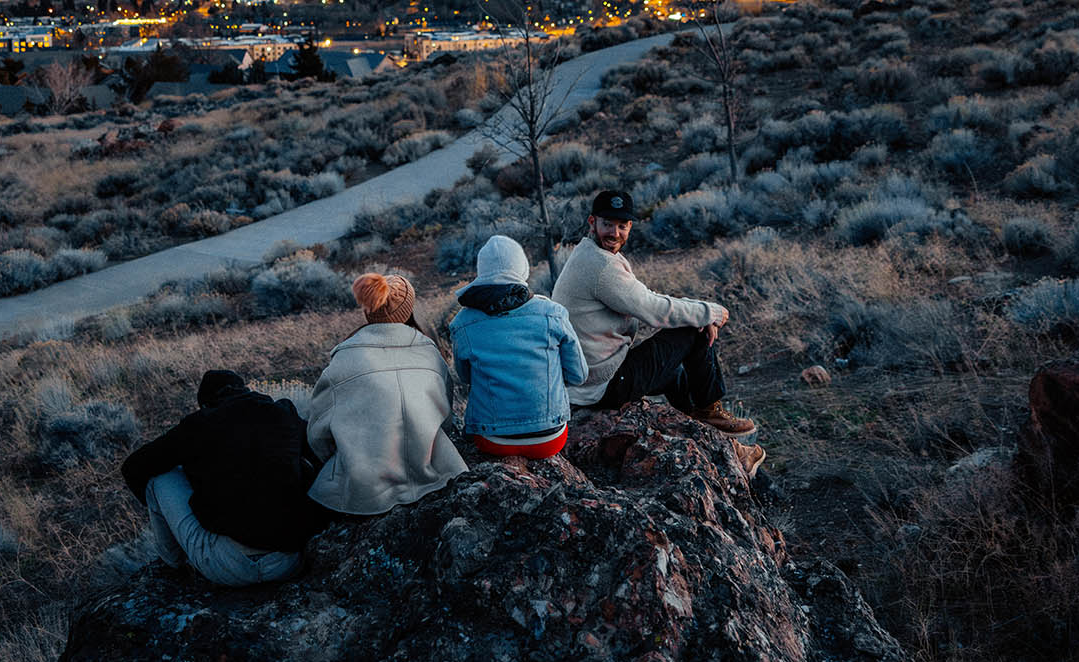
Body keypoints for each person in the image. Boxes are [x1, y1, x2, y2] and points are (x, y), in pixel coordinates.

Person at [553, 189, 764, 475]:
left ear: (630, 227)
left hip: (590, 379)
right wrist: (708, 312)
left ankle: (728, 447)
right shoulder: (600, 266)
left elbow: (644, 296)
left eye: (622, 225)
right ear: (592, 222)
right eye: (607, 224)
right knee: (691, 331)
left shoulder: (592, 254)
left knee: (676, 376)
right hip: (600, 385)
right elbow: (654, 310)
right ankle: (709, 408)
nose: (614, 232)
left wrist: (696, 307)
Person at [121, 368, 328, 587]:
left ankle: (173, 568)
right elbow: (321, 452)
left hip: (226, 566)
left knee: (160, 479)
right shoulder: (283, 412)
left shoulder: (197, 425)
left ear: (206, 404)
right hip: (290, 560)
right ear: (244, 389)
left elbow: (133, 467)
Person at [307, 272, 467, 516]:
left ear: (368, 310)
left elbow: (318, 434)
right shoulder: (431, 354)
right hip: (436, 476)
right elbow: (445, 418)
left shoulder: (343, 360)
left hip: (365, 492)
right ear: (408, 311)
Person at [447, 234, 586, 459]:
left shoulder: (463, 323)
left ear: (482, 271)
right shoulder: (553, 313)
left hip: (491, 440)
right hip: (550, 438)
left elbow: (465, 377)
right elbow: (579, 375)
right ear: (522, 269)